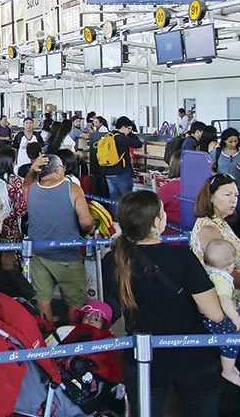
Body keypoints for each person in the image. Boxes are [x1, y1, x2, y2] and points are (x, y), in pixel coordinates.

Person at [103, 190, 226, 417]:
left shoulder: (113, 260)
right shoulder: (182, 258)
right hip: (193, 357)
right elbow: (215, 314)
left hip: (143, 358)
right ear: (156, 222)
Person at [26, 154, 94, 323]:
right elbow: (86, 222)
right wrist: (92, 226)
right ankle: (72, 341)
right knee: (75, 303)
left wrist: (32, 168)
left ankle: (49, 339)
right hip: (67, 256)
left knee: (43, 301)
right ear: (57, 169)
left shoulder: (31, 189)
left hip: (38, 254)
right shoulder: (73, 189)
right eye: (62, 167)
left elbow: (25, 183)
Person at [190, 173, 240, 300]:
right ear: (211, 197)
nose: (233, 200)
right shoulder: (209, 229)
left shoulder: (220, 221)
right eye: (227, 195)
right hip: (227, 297)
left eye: (236, 195)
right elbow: (224, 273)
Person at [201, 238, 240, 385]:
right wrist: (236, 317)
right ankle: (228, 369)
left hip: (203, 315)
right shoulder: (222, 279)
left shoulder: (207, 271)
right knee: (231, 340)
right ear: (229, 266)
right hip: (214, 319)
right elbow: (224, 300)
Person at [102, 116, 143, 201]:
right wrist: (131, 133)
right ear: (123, 127)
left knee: (113, 200)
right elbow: (138, 144)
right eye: (129, 129)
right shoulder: (122, 138)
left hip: (108, 172)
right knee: (127, 200)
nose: (129, 131)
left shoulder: (108, 135)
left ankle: (113, 214)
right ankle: (126, 215)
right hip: (121, 173)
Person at [156, 150, 183, 229]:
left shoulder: (168, 188)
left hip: (172, 235)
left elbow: (154, 210)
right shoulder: (204, 186)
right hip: (197, 234)